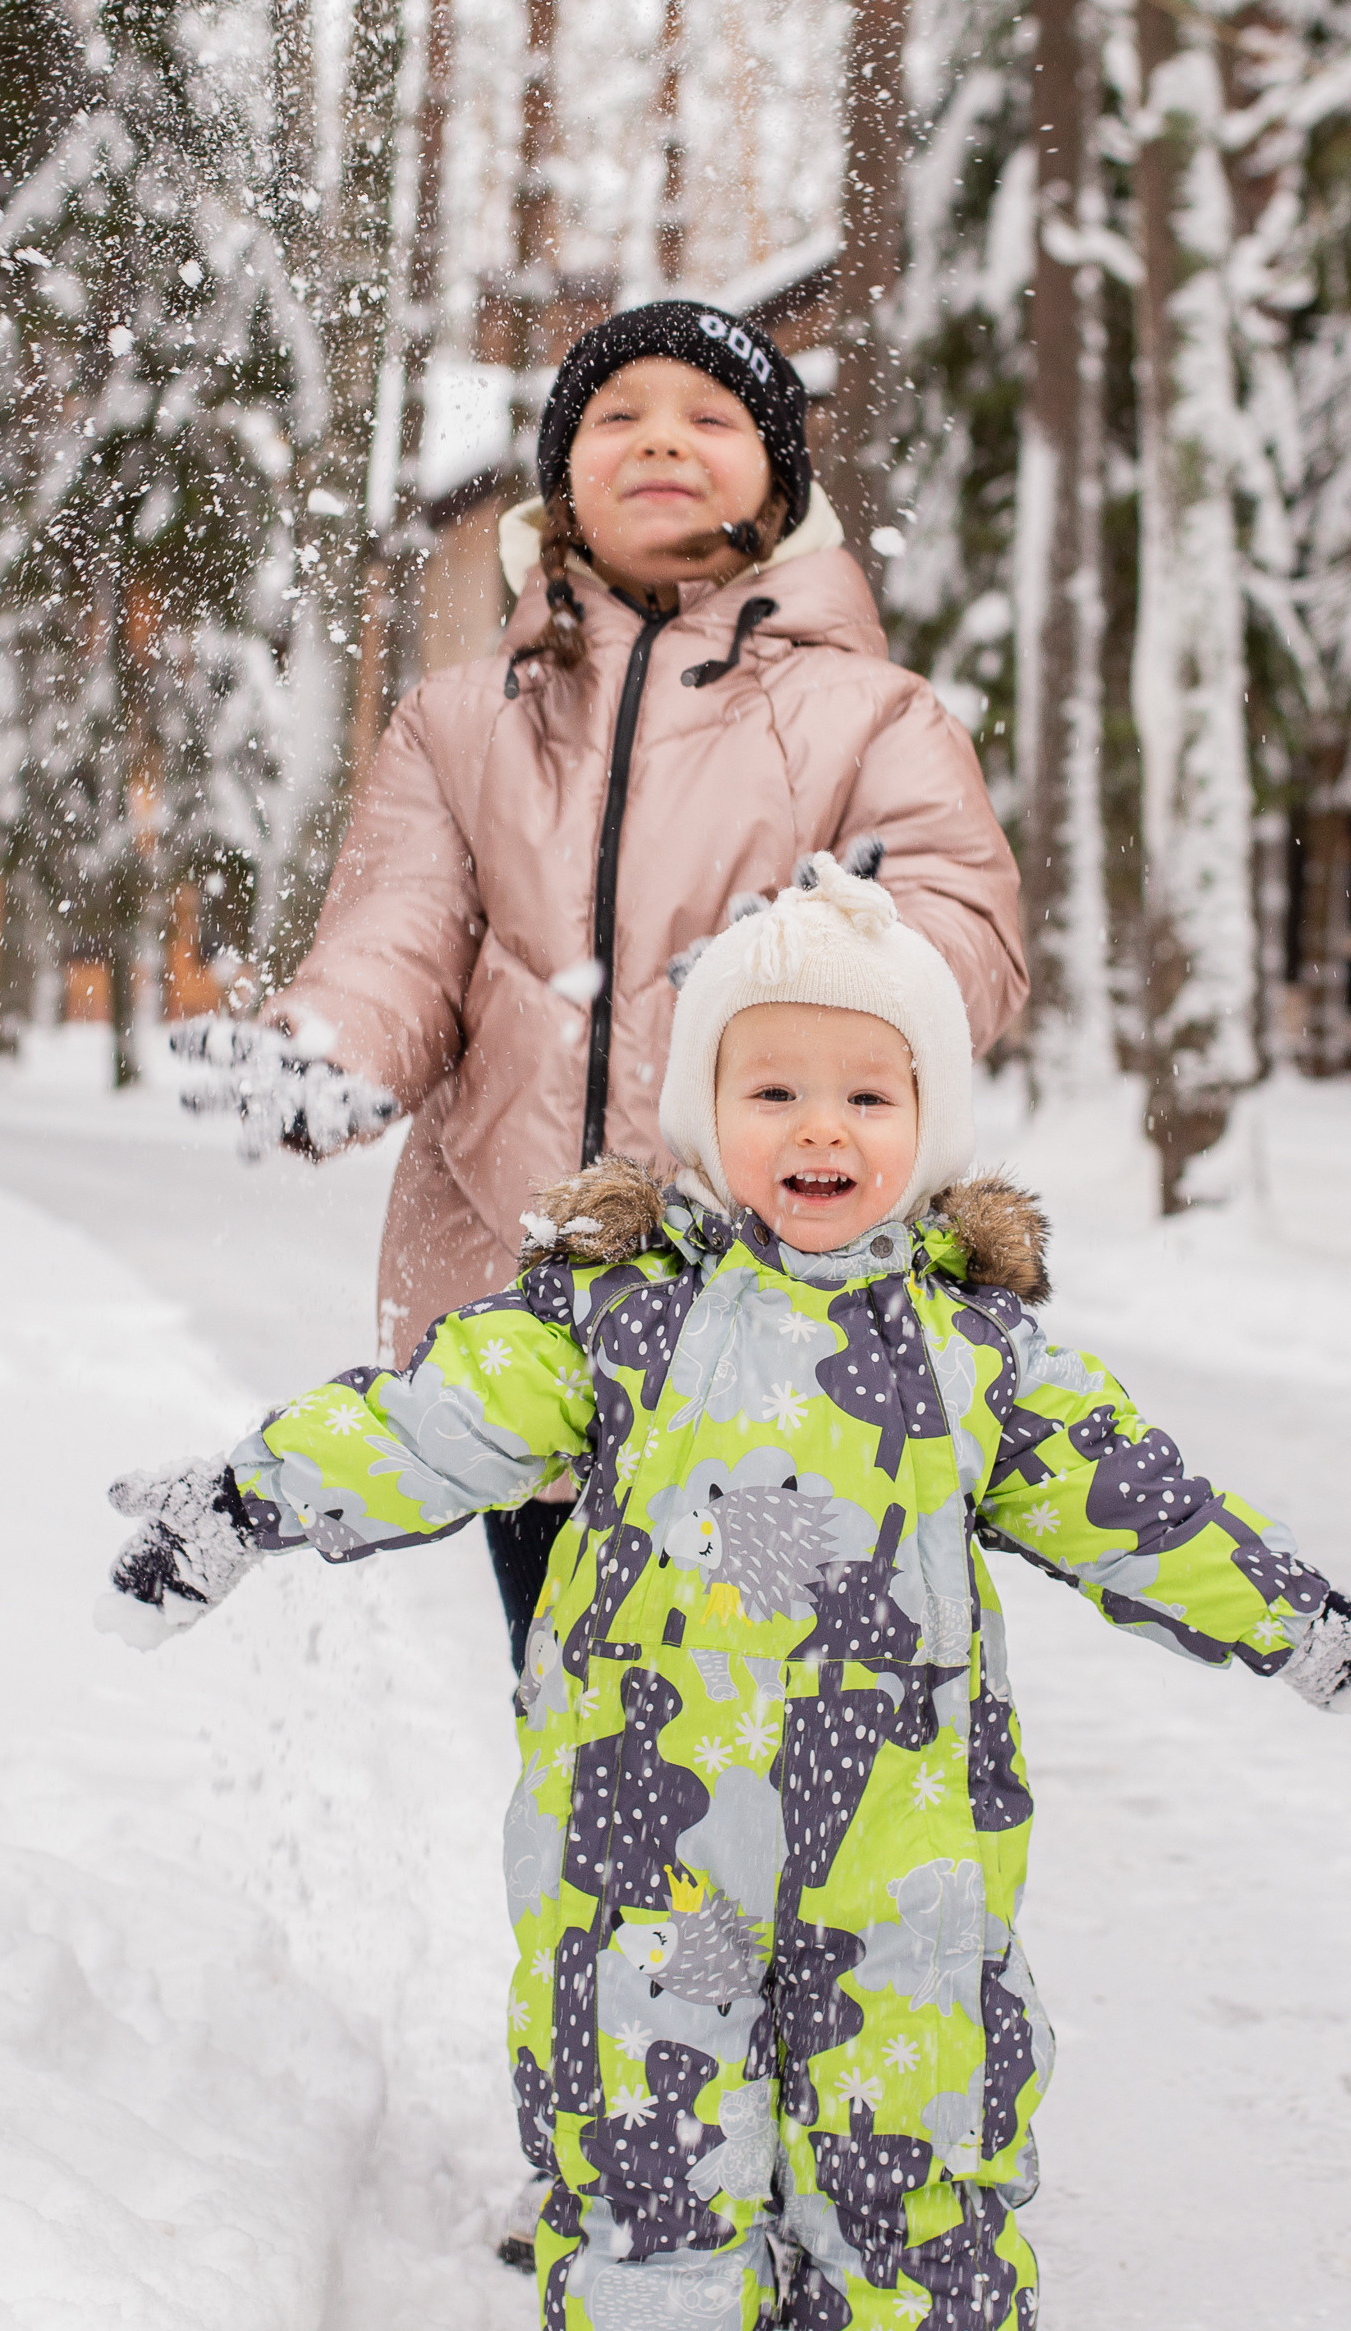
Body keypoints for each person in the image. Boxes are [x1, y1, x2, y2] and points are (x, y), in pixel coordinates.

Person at [108, 854, 1351, 2331]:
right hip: (648, 1828)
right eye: (773, 1087)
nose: (820, 1128)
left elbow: (1138, 1506)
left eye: (867, 1093)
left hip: (901, 1842)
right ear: (702, 1108)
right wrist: (241, 1501)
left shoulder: (971, 1351)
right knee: (641, 2085)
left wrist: (1294, 1619)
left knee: (914, 2092)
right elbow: (422, 1423)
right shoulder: (612, 1316)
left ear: (925, 1121)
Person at [171, 300, 1027, 1682]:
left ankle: (782, 1907)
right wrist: (324, 1050)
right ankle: (608, 1907)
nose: (660, 443)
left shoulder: (871, 715)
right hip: (537, 1329)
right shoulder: (460, 723)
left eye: (708, 417)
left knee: (779, 1731)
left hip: (782, 1326)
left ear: (778, 477)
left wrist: (823, 967)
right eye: (617, 417)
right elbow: (399, 931)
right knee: (586, 1748)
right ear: (563, 475)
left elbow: (958, 931)